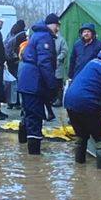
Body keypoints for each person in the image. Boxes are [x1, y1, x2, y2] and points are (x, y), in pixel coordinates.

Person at [17, 13, 60, 155]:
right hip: (34, 83)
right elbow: (44, 63)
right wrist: (52, 85)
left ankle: (22, 148)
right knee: (35, 118)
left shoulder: (37, 35)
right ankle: (34, 157)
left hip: (26, 81)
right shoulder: (44, 37)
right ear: (51, 24)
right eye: (57, 25)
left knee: (28, 114)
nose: (58, 29)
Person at [4, 18, 27, 110]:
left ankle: (10, 103)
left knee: (11, 81)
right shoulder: (22, 34)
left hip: (9, 60)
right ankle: (17, 103)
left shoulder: (10, 33)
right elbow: (22, 49)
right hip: (17, 61)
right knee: (18, 81)